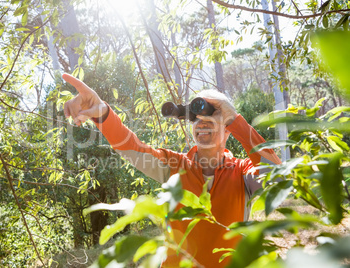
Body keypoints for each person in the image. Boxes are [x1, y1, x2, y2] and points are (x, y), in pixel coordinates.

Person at [62, 73, 281, 267]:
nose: (202, 121)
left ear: (229, 129)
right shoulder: (175, 166)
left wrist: (236, 120)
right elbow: (132, 148)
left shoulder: (243, 172)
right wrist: (102, 113)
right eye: (195, 117)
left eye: (213, 114)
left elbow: (277, 177)